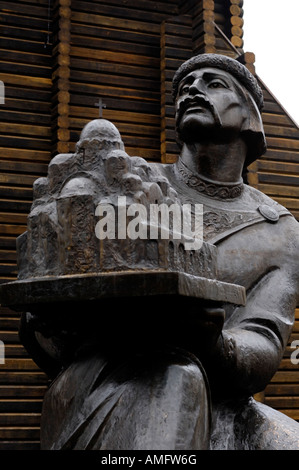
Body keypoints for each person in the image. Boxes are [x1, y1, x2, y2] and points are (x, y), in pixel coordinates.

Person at [20, 54, 299, 450]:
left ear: (251, 116)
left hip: (219, 394)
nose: (192, 90)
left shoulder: (281, 230)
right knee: (173, 377)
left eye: (213, 83)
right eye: (185, 87)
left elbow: (263, 342)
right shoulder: (131, 183)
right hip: (112, 374)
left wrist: (214, 343)